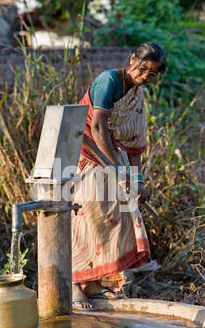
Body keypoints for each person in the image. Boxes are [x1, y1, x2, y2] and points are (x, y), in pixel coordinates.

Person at [71, 42, 166, 311]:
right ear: (132, 59)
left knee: (119, 218)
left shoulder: (136, 95)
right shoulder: (108, 80)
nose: (144, 75)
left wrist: (137, 180)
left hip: (113, 160)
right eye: (142, 68)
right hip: (86, 155)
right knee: (87, 218)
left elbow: (135, 143)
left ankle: (94, 284)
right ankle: (74, 283)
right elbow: (99, 126)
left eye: (152, 74)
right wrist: (117, 170)